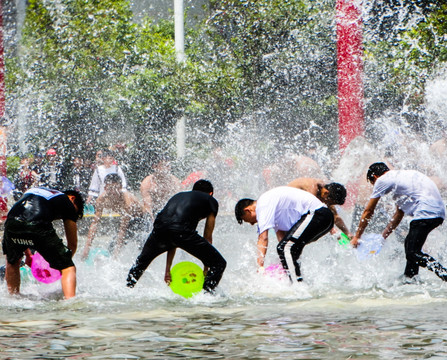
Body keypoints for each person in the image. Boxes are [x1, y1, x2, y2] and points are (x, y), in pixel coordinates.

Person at [351, 162, 447, 282]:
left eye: (372, 184)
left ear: (375, 177)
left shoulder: (382, 180)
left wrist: (357, 237)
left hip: (426, 212)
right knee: (409, 246)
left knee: (412, 252)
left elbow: (368, 211)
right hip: (438, 213)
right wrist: (383, 237)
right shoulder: (400, 179)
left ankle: (444, 274)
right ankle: (410, 279)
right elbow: (398, 214)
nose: (375, 187)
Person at [126, 180, 226, 294]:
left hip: (159, 229)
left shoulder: (179, 196)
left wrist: (168, 270)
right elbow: (207, 236)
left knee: (141, 263)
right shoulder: (210, 200)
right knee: (219, 263)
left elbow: (172, 237)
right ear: (211, 193)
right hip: (181, 231)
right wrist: (206, 267)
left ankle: (127, 289)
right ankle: (207, 296)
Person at [235, 185, 346, 283]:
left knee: (284, 248)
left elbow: (263, 238)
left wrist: (260, 267)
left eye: (248, 220)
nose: (252, 223)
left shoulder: (262, 206)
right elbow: (282, 237)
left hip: (319, 214)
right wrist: (282, 262)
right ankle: (298, 281)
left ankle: (296, 286)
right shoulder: (270, 208)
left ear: (248, 210)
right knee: (289, 250)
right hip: (324, 218)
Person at [2, 187, 84, 299]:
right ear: (72, 198)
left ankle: (13, 299)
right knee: (68, 267)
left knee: (12, 261)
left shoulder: (37, 191)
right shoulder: (67, 201)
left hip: (11, 223)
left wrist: (27, 254)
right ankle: (71, 305)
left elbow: (23, 219)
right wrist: (62, 263)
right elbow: (72, 245)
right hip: (37, 224)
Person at [82, 174, 147, 260]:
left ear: (120, 188)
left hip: (143, 220)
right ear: (105, 188)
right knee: (111, 249)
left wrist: (116, 254)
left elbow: (123, 229)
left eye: (116, 188)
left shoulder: (126, 201)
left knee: (142, 245)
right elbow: (95, 223)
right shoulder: (101, 200)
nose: (113, 192)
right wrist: (87, 248)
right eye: (110, 188)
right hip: (129, 221)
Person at [287, 178, 351, 236]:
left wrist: (348, 234)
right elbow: (310, 213)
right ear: (326, 193)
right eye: (329, 202)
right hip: (284, 205)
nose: (327, 204)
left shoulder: (325, 192)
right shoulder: (312, 189)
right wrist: (331, 229)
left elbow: (336, 217)